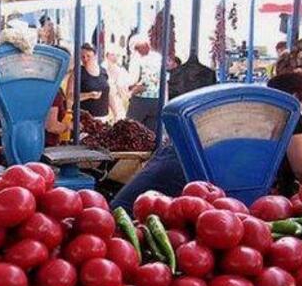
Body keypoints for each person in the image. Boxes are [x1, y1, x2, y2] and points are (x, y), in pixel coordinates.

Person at [111, 72, 302, 213]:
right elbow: (300, 168)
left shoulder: (247, 121)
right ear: (294, 97)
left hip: (149, 207)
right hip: (179, 200)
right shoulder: (291, 120)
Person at [126, 37, 162, 131]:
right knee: (151, 132)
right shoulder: (158, 57)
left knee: (130, 130)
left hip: (140, 99)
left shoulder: (136, 59)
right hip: (156, 99)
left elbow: (132, 80)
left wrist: (128, 88)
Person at [70, 43, 111, 119]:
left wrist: (116, 113)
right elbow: (70, 96)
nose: (85, 59)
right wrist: (89, 95)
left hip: (103, 117)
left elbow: (108, 94)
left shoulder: (103, 71)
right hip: (84, 118)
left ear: (95, 56)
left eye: (88, 56)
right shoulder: (77, 71)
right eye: (82, 57)